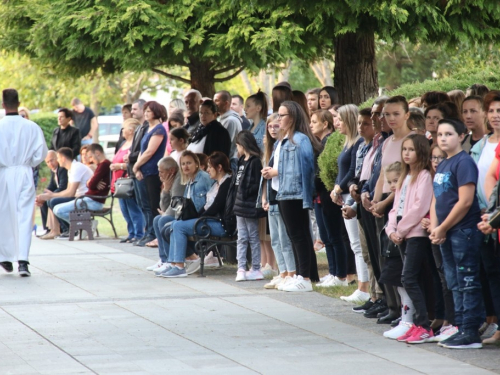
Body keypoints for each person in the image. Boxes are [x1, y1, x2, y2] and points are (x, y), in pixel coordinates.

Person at [430, 118, 483, 349]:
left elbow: (465, 201)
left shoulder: (464, 163)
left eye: (449, 134)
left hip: (463, 232)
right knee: (453, 282)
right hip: (445, 233)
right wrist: (435, 226)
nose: (443, 138)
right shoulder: (443, 163)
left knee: (467, 281)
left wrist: (443, 227)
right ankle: (460, 328)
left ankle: (471, 331)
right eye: (440, 134)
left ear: (462, 136)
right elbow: (436, 198)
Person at [262, 101, 321, 292]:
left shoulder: (299, 140)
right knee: (296, 235)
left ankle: (304, 277)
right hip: (282, 192)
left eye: (282, 115)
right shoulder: (282, 140)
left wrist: (305, 193)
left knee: (299, 235)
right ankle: (304, 275)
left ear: (293, 117)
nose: (279, 119)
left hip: (293, 193)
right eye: (278, 115)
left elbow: (304, 169)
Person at [383, 135, 434, 343]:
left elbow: (419, 207)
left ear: (420, 151)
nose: (406, 153)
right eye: (404, 149)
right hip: (402, 235)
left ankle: (423, 325)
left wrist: (401, 230)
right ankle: (414, 323)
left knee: (409, 278)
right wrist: (391, 230)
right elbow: (396, 207)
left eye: (411, 150)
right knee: (408, 278)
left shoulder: (423, 175)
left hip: (415, 235)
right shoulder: (404, 177)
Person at [371, 96, 414, 324]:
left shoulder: (413, 140)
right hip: (384, 204)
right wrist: (375, 202)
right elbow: (382, 175)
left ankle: (405, 309)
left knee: (398, 260)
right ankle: (391, 305)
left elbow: (407, 178)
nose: (391, 119)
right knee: (383, 257)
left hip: (400, 204)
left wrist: (385, 203)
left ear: (407, 114)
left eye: (396, 114)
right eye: (387, 114)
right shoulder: (387, 142)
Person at [0, 88, 48, 277]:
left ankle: (5, 256)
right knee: (24, 215)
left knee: (4, 214)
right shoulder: (31, 126)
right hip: (24, 172)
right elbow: (41, 153)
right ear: (18, 104)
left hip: (4, 172)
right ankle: (23, 261)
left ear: (3, 105)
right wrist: (29, 163)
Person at [160, 152, 231, 278]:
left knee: (178, 226)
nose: (207, 170)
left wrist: (199, 218)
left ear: (219, 168)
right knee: (173, 225)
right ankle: (173, 263)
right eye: (183, 164)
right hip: (208, 221)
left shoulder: (224, 183)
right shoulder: (216, 183)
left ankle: (180, 267)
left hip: (218, 224)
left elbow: (216, 206)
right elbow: (206, 206)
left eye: (210, 167)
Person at [330, 104, 369, 303]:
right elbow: (343, 171)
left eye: (341, 119)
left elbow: (353, 171)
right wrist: (336, 188)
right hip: (345, 195)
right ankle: (363, 285)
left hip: (351, 196)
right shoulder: (348, 142)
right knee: (354, 243)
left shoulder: (358, 143)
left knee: (357, 244)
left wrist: (338, 188)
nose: (337, 123)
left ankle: (364, 286)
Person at [421, 144, 457, 343]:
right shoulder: (433, 177)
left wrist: (437, 225)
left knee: (449, 278)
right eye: (433, 158)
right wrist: (429, 222)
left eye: (440, 158)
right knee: (441, 277)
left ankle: (453, 320)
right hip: (434, 230)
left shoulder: (449, 176)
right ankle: (444, 317)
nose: (436, 162)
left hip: (446, 231)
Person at [258, 114, 296, 289]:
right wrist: (264, 198)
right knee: (275, 239)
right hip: (272, 198)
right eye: (270, 126)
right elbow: (266, 178)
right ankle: (282, 272)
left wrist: (273, 172)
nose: (272, 129)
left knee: (284, 238)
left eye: (276, 126)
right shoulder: (272, 148)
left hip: (282, 197)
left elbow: (285, 171)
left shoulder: (286, 145)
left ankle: (290, 273)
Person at [310, 110, 348, 288]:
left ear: (325, 124)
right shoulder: (320, 142)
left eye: (314, 121)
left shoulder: (331, 141)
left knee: (335, 235)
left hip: (328, 193)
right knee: (327, 235)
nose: (311, 125)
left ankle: (340, 274)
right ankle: (333, 271)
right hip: (320, 194)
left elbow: (327, 169)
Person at [52, 144, 111, 237]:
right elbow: (91, 183)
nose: (91, 160)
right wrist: (91, 181)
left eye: (91, 156)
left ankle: (84, 226)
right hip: (88, 199)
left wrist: (91, 182)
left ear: (98, 153)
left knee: (59, 210)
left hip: (94, 201)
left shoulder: (104, 165)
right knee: (56, 208)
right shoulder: (100, 165)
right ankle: (85, 225)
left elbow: (91, 184)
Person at [37, 147, 94, 239]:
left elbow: (70, 193)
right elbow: (68, 190)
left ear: (63, 158)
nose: (58, 161)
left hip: (84, 198)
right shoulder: (71, 169)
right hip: (78, 197)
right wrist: (49, 195)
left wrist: (51, 196)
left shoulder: (76, 167)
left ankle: (68, 229)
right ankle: (57, 229)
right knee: (51, 200)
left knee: (53, 201)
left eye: (57, 158)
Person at [233, 131, 266, 282]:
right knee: (242, 237)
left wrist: (245, 194)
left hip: (249, 204)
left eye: (238, 146)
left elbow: (255, 184)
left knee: (252, 236)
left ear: (243, 145)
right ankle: (241, 267)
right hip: (240, 204)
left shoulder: (255, 161)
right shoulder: (241, 161)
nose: (237, 149)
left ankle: (256, 268)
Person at [132, 101, 167, 236]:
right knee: (144, 204)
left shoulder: (159, 129)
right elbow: (142, 150)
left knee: (153, 205)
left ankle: (155, 234)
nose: (146, 113)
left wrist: (135, 166)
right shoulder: (147, 129)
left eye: (149, 111)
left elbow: (150, 152)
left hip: (152, 171)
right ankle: (148, 233)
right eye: (145, 110)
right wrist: (138, 168)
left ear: (156, 112)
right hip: (143, 170)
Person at [147, 156, 186, 275]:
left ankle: (170, 260)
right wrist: (165, 190)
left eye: (161, 171)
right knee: (157, 219)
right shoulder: (170, 181)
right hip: (175, 213)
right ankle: (164, 259)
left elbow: (175, 205)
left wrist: (165, 213)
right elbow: (163, 207)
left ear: (171, 171)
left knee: (162, 220)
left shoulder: (179, 180)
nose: (159, 174)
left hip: (182, 215)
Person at [126, 99, 154, 246]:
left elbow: (145, 151)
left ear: (144, 110)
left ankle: (149, 234)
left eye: (135, 109)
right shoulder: (139, 128)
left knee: (147, 204)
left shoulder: (148, 129)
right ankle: (145, 233)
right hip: (135, 170)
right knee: (141, 204)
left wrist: (130, 157)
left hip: (143, 171)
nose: (132, 112)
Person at [111, 118, 144, 243]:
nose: (122, 131)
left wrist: (119, 166)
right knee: (124, 209)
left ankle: (138, 233)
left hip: (128, 179)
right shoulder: (123, 143)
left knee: (133, 208)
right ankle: (131, 233)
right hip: (119, 181)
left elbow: (133, 162)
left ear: (130, 130)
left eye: (124, 128)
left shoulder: (135, 144)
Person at [38, 151, 68, 237]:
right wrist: (42, 196)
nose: (50, 163)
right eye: (47, 162)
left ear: (57, 159)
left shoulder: (62, 169)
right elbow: (51, 186)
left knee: (51, 200)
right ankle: (47, 229)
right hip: (59, 194)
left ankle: (63, 228)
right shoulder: (54, 170)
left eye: (52, 160)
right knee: (43, 201)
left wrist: (49, 195)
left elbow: (63, 187)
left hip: (66, 194)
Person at [214, 90, 243, 171]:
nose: (214, 103)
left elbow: (225, 145)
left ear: (226, 103)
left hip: (228, 163)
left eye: (217, 100)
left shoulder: (230, 121)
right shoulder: (221, 119)